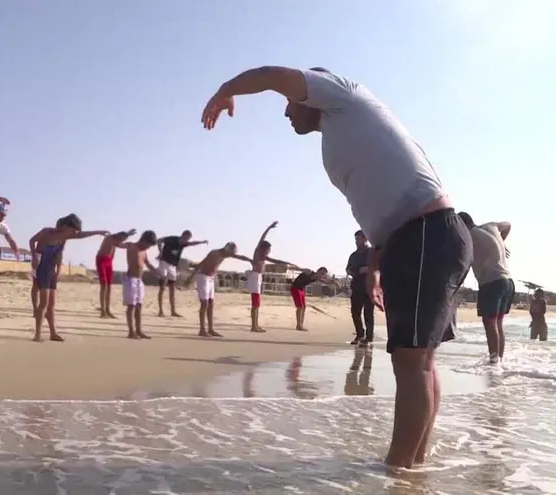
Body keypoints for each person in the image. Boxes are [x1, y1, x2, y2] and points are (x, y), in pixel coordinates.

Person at [200, 65, 472, 469]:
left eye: (291, 103)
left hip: (426, 235)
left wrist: (225, 89)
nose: (287, 112)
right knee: (420, 362)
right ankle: (413, 467)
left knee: (411, 362)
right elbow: (379, 204)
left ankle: (397, 472)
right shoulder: (341, 131)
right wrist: (377, 264)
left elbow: (274, 75)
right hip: (416, 237)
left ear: (311, 95)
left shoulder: (343, 93)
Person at [29, 214, 109, 342]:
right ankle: (37, 334)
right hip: (41, 266)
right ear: (66, 226)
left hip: (52, 269)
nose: (75, 233)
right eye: (73, 229)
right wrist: (33, 256)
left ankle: (53, 333)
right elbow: (32, 241)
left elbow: (83, 235)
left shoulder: (67, 235)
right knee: (43, 303)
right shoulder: (46, 232)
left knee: (52, 304)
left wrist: (98, 232)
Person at [458, 213, 515, 364]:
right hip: (508, 282)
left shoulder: (468, 237)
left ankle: (493, 360)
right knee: (498, 323)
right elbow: (508, 224)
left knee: (490, 323)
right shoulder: (491, 226)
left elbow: (462, 265)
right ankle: (499, 360)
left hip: (492, 283)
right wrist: (500, 242)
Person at [184, 242, 253, 337]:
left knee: (211, 304)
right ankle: (202, 330)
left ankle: (211, 329)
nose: (232, 256)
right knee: (204, 303)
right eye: (231, 254)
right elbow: (200, 264)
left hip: (211, 278)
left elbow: (239, 257)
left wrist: (250, 260)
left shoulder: (226, 254)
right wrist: (190, 279)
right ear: (227, 250)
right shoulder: (214, 254)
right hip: (203, 277)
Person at [246, 221, 292, 332]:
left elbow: (263, 238)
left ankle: (255, 325)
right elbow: (263, 240)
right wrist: (269, 228)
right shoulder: (259, 253)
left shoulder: (262, 252)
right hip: (255, 277)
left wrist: (269, 227)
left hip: (258, 277)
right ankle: (253, 326)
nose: (269, 251)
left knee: (257, 303)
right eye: (269, 249)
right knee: (255, 303)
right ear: (264, 249)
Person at [156, 230, 208, 317]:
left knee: (172, 289)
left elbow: (192, 243)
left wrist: (202, 242)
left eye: (188, 239)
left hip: (173, 265)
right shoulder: (172, 239)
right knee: (162, 287)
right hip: (164, 262)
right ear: (182, 236)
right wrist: (160, 251)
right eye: (186, 238)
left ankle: (173, 311)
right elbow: (159, 240)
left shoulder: (184, 244)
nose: (186, 241)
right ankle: (160, 311)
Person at [121, 230, 158, 339]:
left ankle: (139, 330)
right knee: (131, 306)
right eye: (148, 244)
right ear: (143, 240)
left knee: (139, 306)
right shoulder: (132, 247)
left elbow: (148, 264)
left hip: (139, 281)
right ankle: (131, 331)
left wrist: (156, 272)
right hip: (130, 280)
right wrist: (127, 234)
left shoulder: (144, 252)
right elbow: (117, 243)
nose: (148, 247)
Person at [95, 229, 137, 318]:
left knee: (109, 286)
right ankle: (102, 311)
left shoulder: (116, 241)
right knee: (104, 285)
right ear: (118, 237)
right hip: (101, 260)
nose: (122, 241)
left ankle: (107, 310)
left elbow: (120, 244)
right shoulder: (109, 238)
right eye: (121, 239)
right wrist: (128, 240)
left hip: (109, 261)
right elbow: (120, 244)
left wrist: (128, 235)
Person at [347, 230, 374, 347]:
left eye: (359, 239)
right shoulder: (354, 255)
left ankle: (368, 337)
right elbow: (348, 268)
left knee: (368, 313)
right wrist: (351, 271)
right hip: (356, 286)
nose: (357, 242)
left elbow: (379, 266)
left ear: (365, 239)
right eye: (356, 239)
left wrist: (368, 269)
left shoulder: (372, 252)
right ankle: (359, 334)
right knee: (355, 312)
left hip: (369, 286)